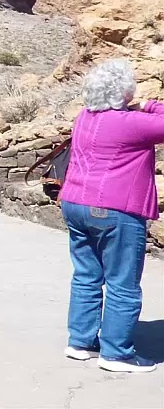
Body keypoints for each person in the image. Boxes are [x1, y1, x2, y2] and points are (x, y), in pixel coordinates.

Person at [58, 59, 164, 373]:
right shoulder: (131, 123)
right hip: (114, 209)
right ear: (124, 92)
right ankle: (116, 353)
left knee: (87, 275)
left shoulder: (84, 117)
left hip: (75, 203)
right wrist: (148, 103)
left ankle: (81, 342)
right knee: (123, 283)